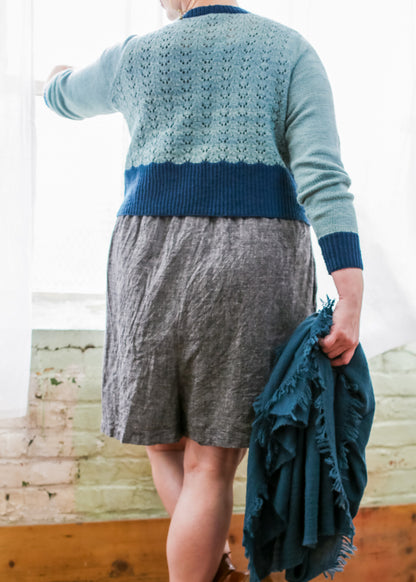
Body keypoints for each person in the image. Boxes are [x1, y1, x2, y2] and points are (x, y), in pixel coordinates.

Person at [43, 1, 364, 580]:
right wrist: (350, 294)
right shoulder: (289, 50)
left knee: (161, 440)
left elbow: (64, 98)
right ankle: (209, 564)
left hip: (147, 260)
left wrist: (51, 81)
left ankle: (209, 564)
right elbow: (322, 174)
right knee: (210, 464)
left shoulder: (135, 55)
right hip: (252, 262)